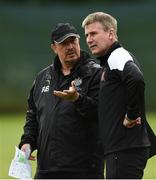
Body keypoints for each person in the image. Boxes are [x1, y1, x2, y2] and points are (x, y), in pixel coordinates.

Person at [18, 22, 104, 179]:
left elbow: (101, 114)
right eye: (64, 43)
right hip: (46, 169)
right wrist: (27, 142)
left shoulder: (95, 74)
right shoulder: (43, 77)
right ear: (54, 47)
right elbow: (33, 115)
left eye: (73, 41)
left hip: (84, 170)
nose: (70, 46)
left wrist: (77, 99)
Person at [82, 12, 156, 179]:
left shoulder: (117, 55)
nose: (88, 39)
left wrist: (132, 115)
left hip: (125, 148)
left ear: (111, 33)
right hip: (121, 149)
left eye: (94, 33)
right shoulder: (110, 60)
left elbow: (136, 79)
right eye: (86, 35)